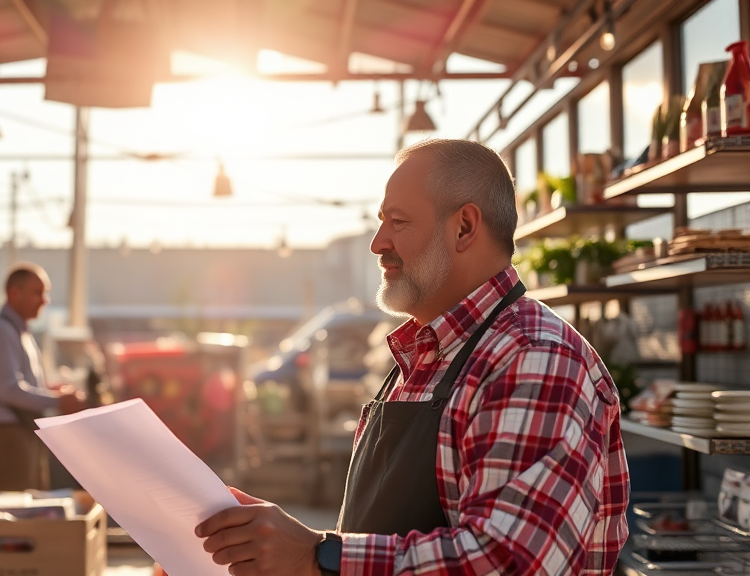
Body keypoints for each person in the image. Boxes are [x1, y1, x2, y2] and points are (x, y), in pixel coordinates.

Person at [196, 139, 630, 576]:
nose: (377, 243)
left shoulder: (533, 358)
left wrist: (318, 556)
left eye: (397, 222)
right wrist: (279, 550)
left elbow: (508, 563)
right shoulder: (425, 356)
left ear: (463, 227)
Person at [0, 263, 87, 491]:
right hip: (8, 435)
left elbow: (20, 386)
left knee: (33, 512)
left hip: (20, 432)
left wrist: (52, 392)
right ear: (14, 293)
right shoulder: (0, 331)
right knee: (19, 514)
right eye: (38, 292)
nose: (45, 300)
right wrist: (58, 401)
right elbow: (8, 390)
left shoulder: (18, 331)